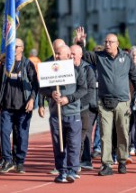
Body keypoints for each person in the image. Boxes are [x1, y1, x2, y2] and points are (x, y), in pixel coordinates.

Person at [74, 26, 136, 176]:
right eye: (105, 42)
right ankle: (106, 164)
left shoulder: (126, 59)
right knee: (105, 134)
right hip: (104, 103)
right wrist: (80, 43)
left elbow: (135, 78)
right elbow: (85, 55)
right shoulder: (99, 56)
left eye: (110, 42)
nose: (107, 44)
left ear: (117, 43)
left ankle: (123, 160)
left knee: (122, 133)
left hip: (122, 102)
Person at [40, 45, 87, 183]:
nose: (56, 56)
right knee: (58, 144)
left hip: (72, 112)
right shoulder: (49, 69)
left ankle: (72, 170)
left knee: (73, 143)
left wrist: (68, 98)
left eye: (59, 53)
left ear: (67, 56)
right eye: (55, 53)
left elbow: (83, 89)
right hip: (56, 114)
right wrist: (51, 93)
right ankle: (62, 170)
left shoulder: (77, 70)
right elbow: (42, 88)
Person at [0, 38, 39, 174]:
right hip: (6, 107)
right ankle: (7, 159)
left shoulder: (27, 64)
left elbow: (35, 84)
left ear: (22, 48)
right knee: (3, 132)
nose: (13, 48)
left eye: (16, 46)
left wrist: (32, 100)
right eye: (11, 46)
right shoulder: (4, 64)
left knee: (21, 135)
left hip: (23, 108)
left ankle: (19, 161)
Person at [70, 45, 97, 170]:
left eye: (74, 53)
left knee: (84, 135)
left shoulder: (87, 69)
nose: (71, 56)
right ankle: (71, 162)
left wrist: (80, 104)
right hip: (68, 107)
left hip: (83, 107)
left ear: (80, 55)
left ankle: (84, 160)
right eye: (70, 53)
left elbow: (90, 90)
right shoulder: (64, 68)